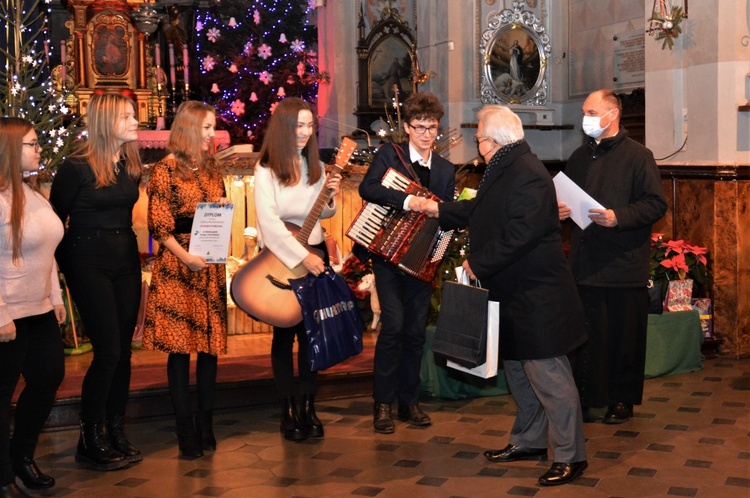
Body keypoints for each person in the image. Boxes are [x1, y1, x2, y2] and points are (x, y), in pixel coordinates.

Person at [420, 105, 589, 486]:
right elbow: (480, 210)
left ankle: (570, 455)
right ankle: (529, 441)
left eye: (478, 136)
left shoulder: (527, 173)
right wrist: (438, 210)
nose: (477, 142)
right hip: (514, 294)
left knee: (550, 377)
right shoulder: (506, 168)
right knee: (519, 372)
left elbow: (522, 234)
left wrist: (479, 264)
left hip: (536, 296)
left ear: (494, 139)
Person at [559, 89, 668, 424]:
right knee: (587, 335)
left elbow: (655, 204)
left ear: (612, 114)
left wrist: (618, 216)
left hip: (623, 262)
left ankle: (622, 400)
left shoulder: (639, 156)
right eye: (584, 113)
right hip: (586, 261)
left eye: (591, 112)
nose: (586, 119)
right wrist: (560, 209)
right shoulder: (579, 156)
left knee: (623, 336)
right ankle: (588, 396)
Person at [49, 92, 143, 471]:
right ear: (106, 122)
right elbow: (55, 221)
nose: (136, 121)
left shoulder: (129, 164)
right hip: (87, 260)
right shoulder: (76, 167)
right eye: (128, 116)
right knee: (106, 352)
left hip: (125, 258)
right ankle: (90, 439)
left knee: (123, 352)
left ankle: (115, 429)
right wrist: (63, 274)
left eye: (135, 115)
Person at [357, 92, 455, 434]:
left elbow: (446, 216)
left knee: (415, 332)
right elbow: (367, 189)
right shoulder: (390, 154)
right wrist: (407, 199)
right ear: (407, 127)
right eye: (420, 127)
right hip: (388, 254)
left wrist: (441, 247)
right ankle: (382, 404)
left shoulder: (444, 168)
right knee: (394, 327)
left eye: (432, 127)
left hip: (422, 259)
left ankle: (409, 403)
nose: (427, 134)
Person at [141, 101, 228, 458]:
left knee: (209, 348)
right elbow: (159, 226)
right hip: (180, 263)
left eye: (212, 127)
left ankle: (206, 424)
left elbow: (219, 209)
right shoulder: (166, 169)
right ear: (190, 127)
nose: (212, 134)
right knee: (179, 350)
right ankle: (184, 429)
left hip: (209, 262)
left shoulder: (211, 168)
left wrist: (222, 209)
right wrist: (187, 257)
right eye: (206, 127)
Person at [253, 97, 341, 441]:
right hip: (280, 254)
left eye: (309, 126)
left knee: (310, 336)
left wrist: (330, 197)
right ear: (283, 128)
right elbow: (269, 222)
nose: (304, 133)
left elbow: (322, 213)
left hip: (313, 250)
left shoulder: (314, 164)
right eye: (298, 126)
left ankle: (308, 405)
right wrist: (302, 257)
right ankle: (287, 408)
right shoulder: (267, 167)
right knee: (283, 334)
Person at [0, 118, 66, 497]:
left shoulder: (34, 193)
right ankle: (3, 473)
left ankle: (21, 455)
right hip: (8, 314)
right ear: (10, 150)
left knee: (47, 379)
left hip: (39, 309)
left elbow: (48, 252)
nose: (39, 149)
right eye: (32, 143)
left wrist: (55, 297)